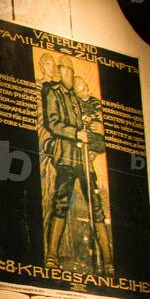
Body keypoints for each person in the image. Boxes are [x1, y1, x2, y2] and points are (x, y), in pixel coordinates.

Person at [41, 55, 112, 274]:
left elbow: (88, 124)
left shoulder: (76, 98)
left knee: (96, 207)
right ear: (61, 72)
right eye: (68, 71)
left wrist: (91, 136)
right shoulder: (53, 92)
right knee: (61, 203)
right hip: (67, 158)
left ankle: (108, 260)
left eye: (72, 72)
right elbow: (53, 123)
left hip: (83, 159)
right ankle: (52, 256)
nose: (71, 76)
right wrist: (75, 133)